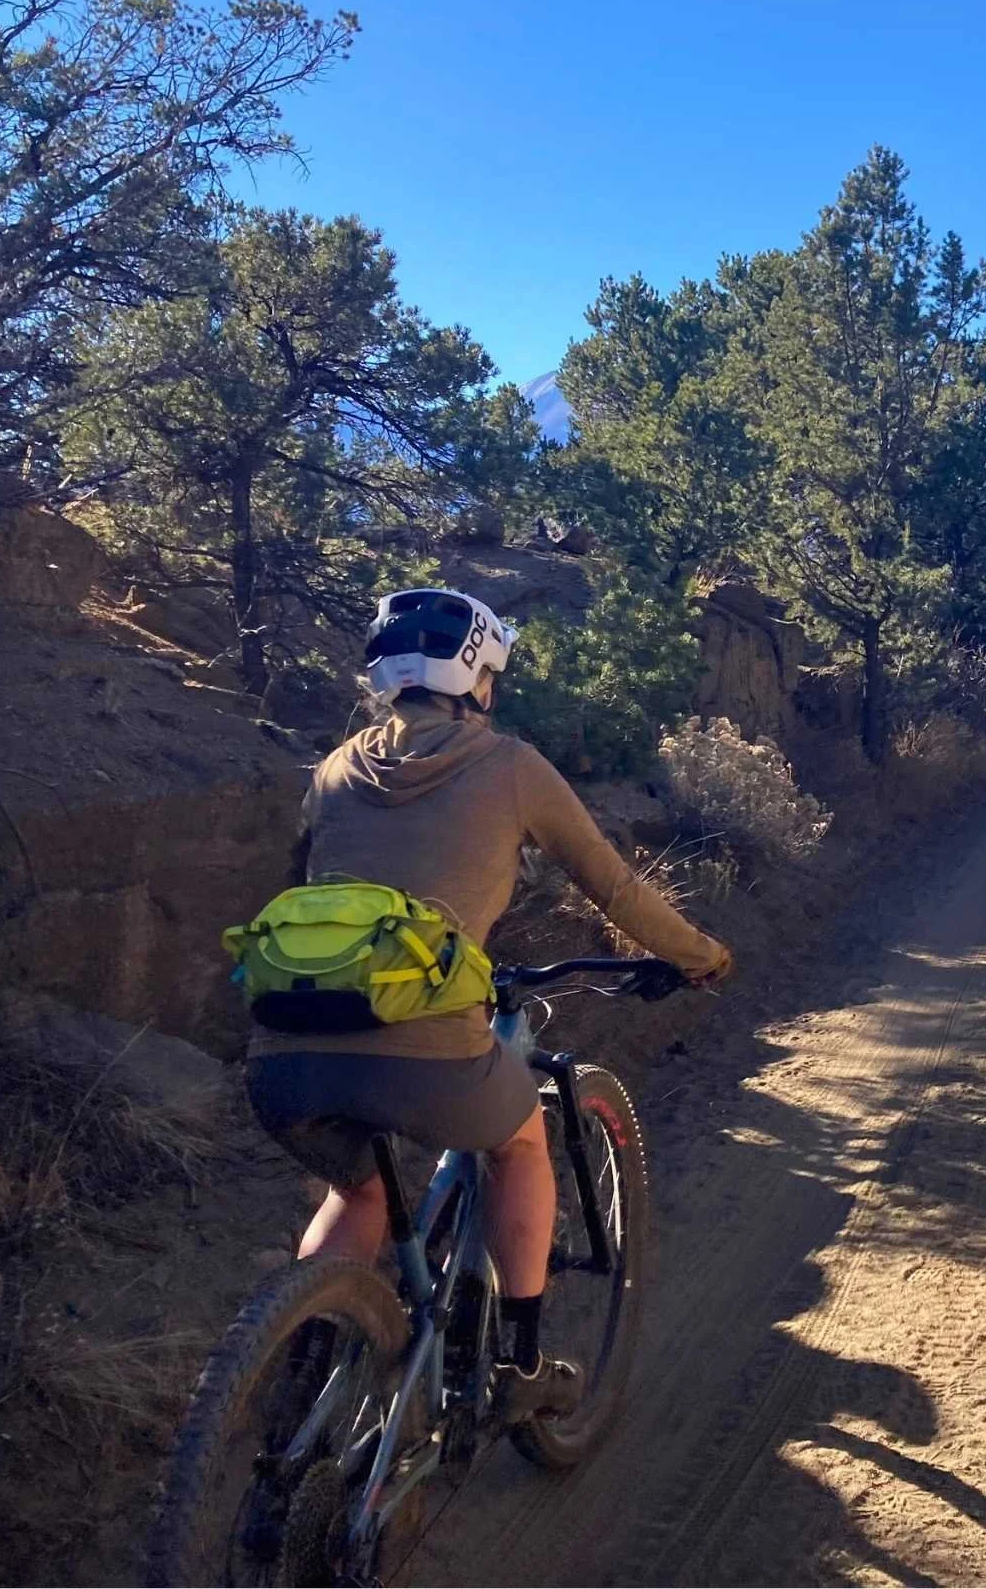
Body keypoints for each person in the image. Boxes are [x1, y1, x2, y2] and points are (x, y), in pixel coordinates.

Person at [243, 587, 732, 1419]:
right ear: (473, 676)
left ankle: (298, 1374)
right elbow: (610, 885)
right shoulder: (509, 767)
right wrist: (699, 956)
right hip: (425, 1051)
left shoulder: (333, 770)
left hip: (283, 1053)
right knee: (522, 1144)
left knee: (357, 1194)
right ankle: (523, 1365)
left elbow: (306, 891)